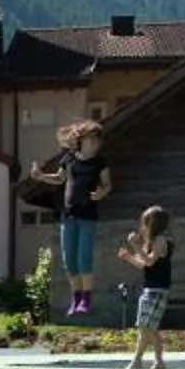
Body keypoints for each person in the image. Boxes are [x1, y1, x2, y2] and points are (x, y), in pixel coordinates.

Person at [44, 120, 111, 318]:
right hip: (68, 216)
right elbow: (59, 178)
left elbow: (107, 185)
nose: (95, 145)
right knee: (69, 260)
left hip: (88, 215)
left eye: (98, 142)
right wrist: (40, 176)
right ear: (81, 141)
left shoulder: (100, 162)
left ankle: (86, 300)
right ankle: (76, 298)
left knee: (84, 257)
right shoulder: (69, 159)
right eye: (92, 141)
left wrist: (102, 193)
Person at [117, 206, 175, 369]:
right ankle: (138, 361)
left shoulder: (161, 240)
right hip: (149, 290)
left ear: (153, 224)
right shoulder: (150, 242)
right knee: (144, 327)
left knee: (148, 327)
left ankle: (158, 361)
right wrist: (129, 257)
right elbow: (143, 264)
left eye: (145, 223)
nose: (142, 227)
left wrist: (135, 246)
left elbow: (150, 261)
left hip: (158, 291)